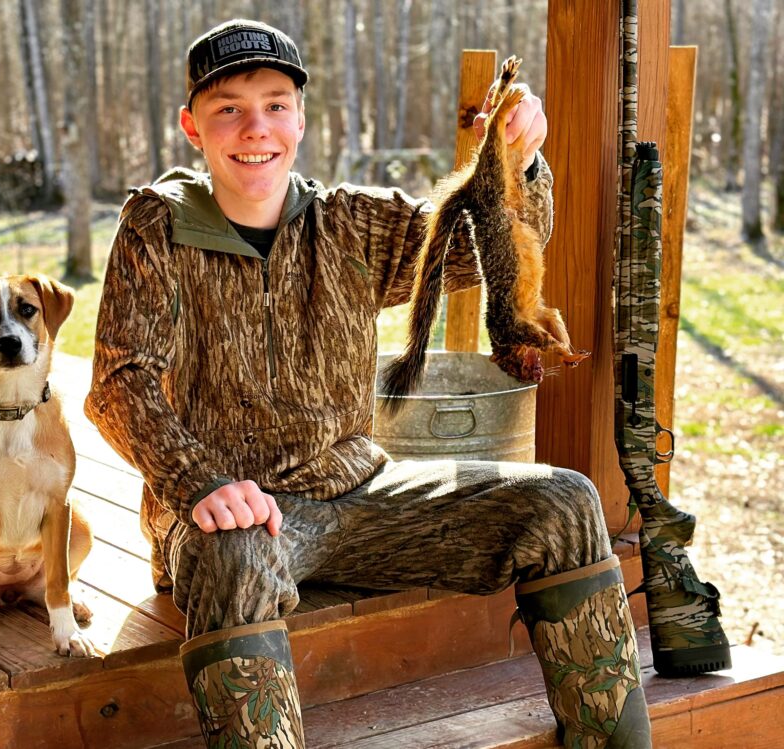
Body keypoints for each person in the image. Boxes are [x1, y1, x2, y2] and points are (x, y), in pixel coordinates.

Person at [85, 19, 651, 749]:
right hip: (226, 521)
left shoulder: (351, 224)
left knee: (565, 502)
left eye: (276, 104)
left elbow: (485, 248)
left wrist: (521, 161)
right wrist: (200, 483)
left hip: (357, 495)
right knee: (236, 551)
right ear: (193, 126)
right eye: (229, 107)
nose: (255, 127)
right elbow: (118, 381)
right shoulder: (156, 227)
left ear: (300, 120)